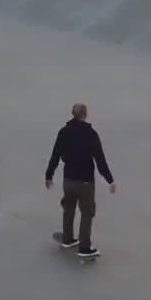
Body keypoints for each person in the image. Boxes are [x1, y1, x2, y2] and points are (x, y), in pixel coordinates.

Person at [44, 102, 115, 257]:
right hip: (85, 182)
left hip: (68, 179)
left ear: (72, 114)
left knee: (68, 209)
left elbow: (55, 155)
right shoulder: (90, 134)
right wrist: (110, 180)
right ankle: (84, 247)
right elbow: (100, 159)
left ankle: (67, 238)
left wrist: (48, 175)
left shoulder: (64, 132)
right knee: (87, 213)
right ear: (85, 114)